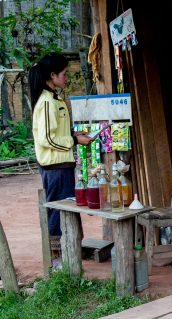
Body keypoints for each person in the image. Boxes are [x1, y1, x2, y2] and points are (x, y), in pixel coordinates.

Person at [29, 53, 92, 237]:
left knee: (66, 210)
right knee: (59, 212)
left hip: (60, 165)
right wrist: (74, 141)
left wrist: (73, 134)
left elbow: (54, 134)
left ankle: (69, 251)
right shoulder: (48, 102)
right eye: (64, 74)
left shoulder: (54, 99)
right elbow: (46, 139)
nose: (67, 77)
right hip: (55, 168)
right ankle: (58, 257)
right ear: (52, 75)